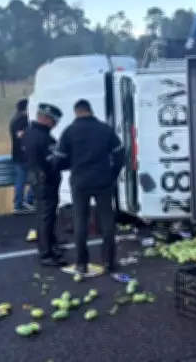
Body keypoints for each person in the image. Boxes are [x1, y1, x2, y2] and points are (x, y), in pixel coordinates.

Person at [53, 100, 125, 277]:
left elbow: (59, 157)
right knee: (107, 221)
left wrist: (66, 166)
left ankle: (81, 263)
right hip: (103, 180)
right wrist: (112, 173)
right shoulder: (105, 129)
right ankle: (109, 262)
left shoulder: (69, 131)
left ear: (76, 112)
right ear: (91, 111)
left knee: (80, 221)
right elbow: (120, 151)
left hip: (80, 181)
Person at [23, 103, 68, 267]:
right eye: (54, 120)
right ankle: (46, 253)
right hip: (45, 180)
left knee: (46, 215)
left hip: (39, 179)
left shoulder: (30, 133)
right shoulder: (42, 137)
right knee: (46, 217)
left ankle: (51, 244)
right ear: (47, 119)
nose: (55, 124)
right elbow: (49, 161)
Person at [10, 98, 35, 214]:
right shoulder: (24, 120)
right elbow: (21, 135)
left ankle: (18, 204)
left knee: (20, 181)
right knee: (36, 178)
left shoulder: (14, 119)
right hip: (25, 155)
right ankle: (27, 201)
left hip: (17, 154)